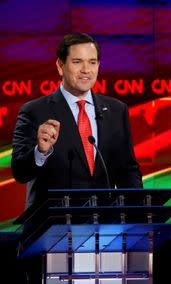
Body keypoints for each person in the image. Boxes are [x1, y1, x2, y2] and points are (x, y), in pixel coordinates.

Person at [12, 32, 143, 210]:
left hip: (103, 226)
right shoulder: (35, 111)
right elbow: (20, 172)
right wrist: (40, 152)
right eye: (77, 62)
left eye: (92, 62)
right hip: (52, 226)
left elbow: (128, 172)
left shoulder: (116, 110)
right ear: (60, 66)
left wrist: (139, 217)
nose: (86, 70)